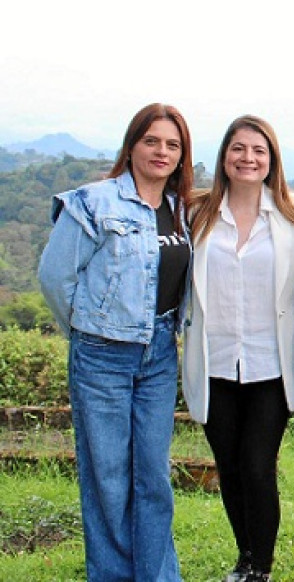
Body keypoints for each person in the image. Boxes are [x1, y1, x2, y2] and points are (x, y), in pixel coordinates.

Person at [37, 103, 193, 581]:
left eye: (172, 144)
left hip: (161, 354)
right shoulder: (92, 202)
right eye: (152, 141)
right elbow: (54, 277)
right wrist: (89, 331)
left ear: (181, 154)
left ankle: (157, 576)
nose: (161, 152)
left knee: (153, 478)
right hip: (101, 355)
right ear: (132, 146)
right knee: (106, 479)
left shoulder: (180, 209)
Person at [182, 115, 294, 582]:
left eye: (258, 151)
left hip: (270, 364)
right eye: (238, 149)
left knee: (258, 467)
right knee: (230, 469)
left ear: (272, 159)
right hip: (213, 359)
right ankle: (245, 557)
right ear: (224, 157)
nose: (248, 158)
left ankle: (262, 566)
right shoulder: (196, 212)